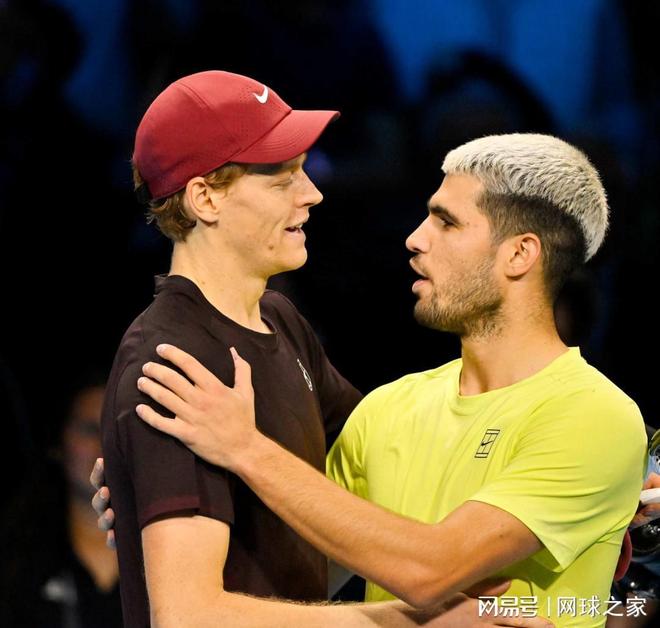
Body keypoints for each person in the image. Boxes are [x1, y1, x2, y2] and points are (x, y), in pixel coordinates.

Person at [122, 133, 647, 626]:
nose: (415, 239)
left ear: (519, 254)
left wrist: (244, 448)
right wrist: (167, 494)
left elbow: (432, 569)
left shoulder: (595, 417)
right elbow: (291, 573)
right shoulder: (386, 409)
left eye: (446, 223)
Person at [100, 70, 545, 628]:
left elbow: (397, 461)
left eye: (304, 170)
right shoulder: (173, 362)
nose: (312, 193)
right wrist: (410, 622)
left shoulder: (279, 320)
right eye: (282, 178)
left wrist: (605, 485)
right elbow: (188, 616)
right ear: (205, 198)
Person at [1, 376, 121, 627]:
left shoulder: (161, 548)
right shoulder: (17, 556)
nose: (104, 443)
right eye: (89, 429)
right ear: (58, 444)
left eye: (116, 431)